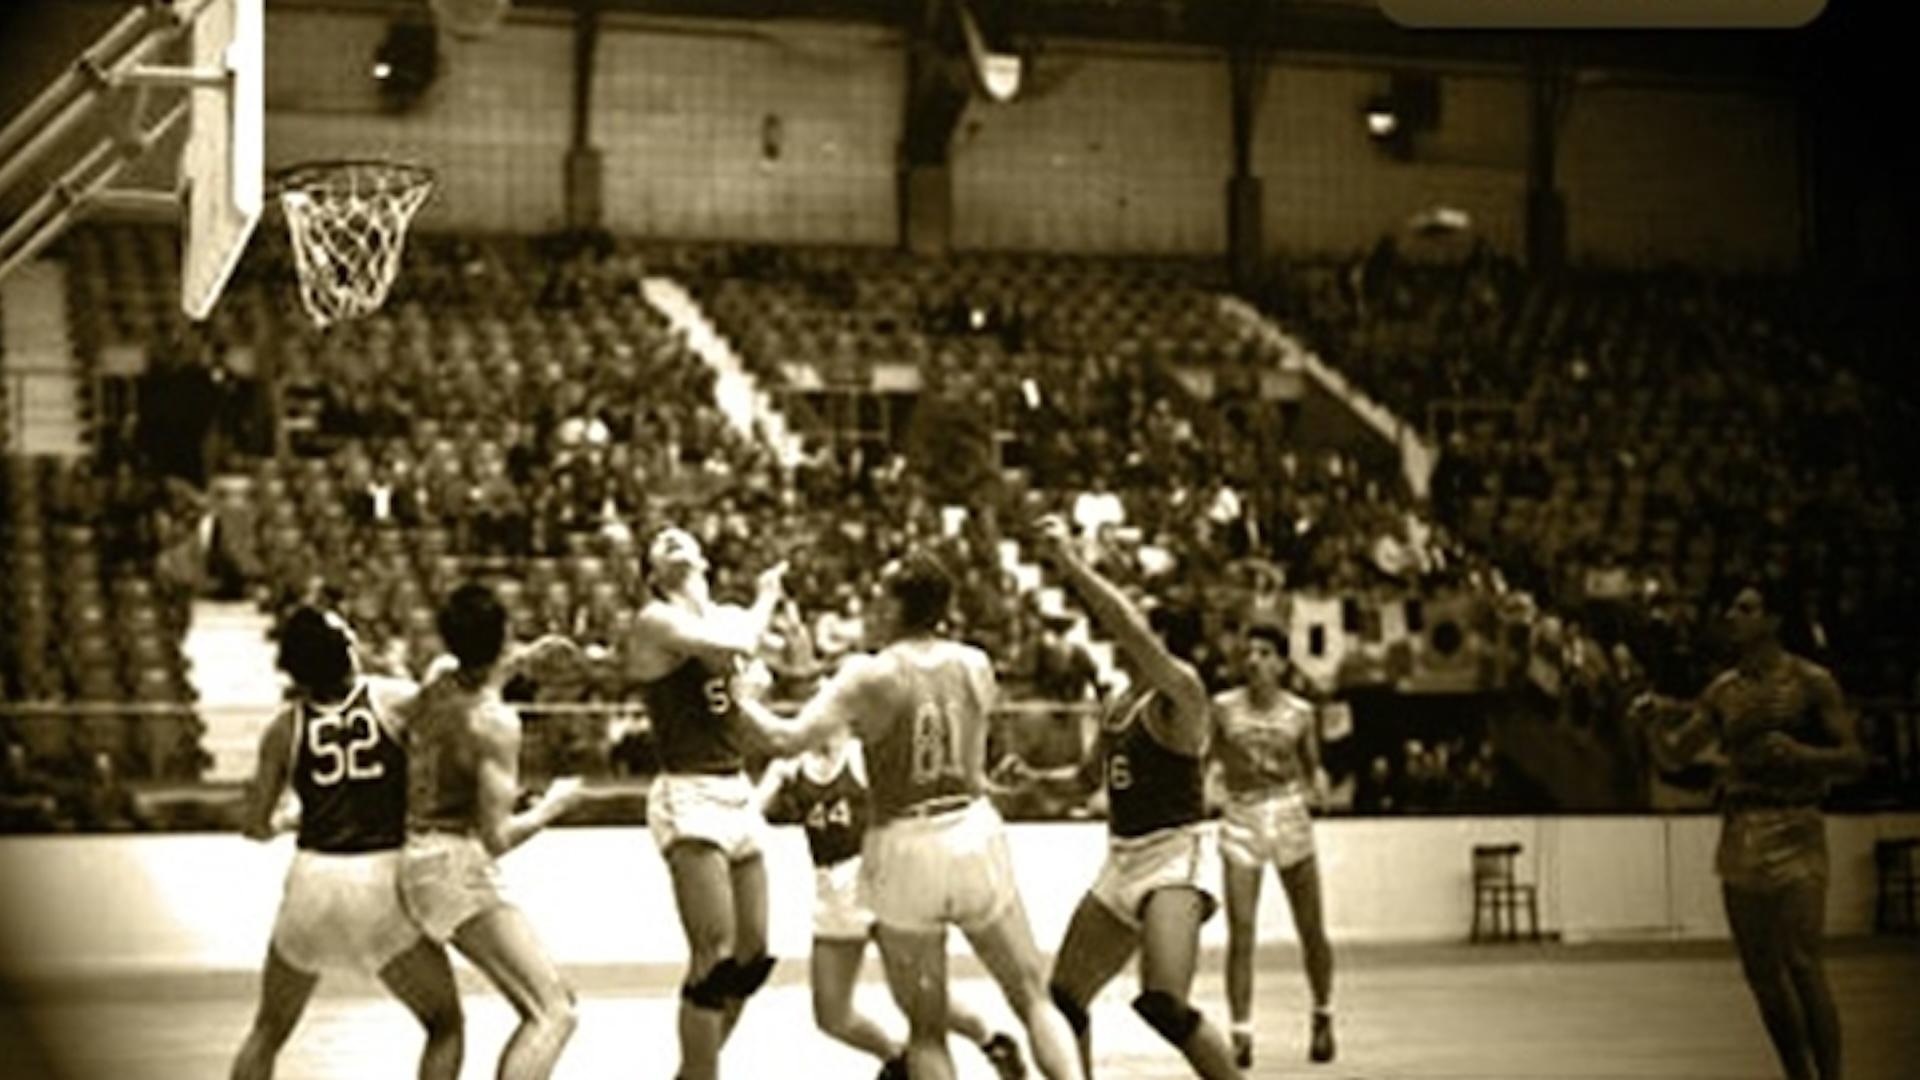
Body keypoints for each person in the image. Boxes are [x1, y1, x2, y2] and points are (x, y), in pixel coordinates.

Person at [734, 550, 1086, 1080]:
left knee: (924, 1029)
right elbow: (973, 759)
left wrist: (728, 697)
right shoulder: (975, 663)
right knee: (1034, 996)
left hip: (903, 841)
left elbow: (783, 740)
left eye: (881, 594)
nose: (873, 603)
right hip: (971, 826)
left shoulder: (868, 675)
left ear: (900, 605)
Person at [1031, 515, 1243, 1079]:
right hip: (1122, 860)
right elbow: (1084, 781)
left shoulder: (1182, 692)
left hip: (1173, 857)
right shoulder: (1119, 703)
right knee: (1063, 998)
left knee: (1163, 1004)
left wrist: (1070, 563)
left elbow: (1128, 628)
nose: (1131, 636)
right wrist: (1027, 777)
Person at [231, 606, 464, 1080]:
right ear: (347, 649)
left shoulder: (283, 729)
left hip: (311, 881)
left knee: (268, 1030)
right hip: (378, 879)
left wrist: (288, 820)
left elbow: (254, 827)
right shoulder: (392, 699)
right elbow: (449, 698)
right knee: (444, 1025)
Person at [1645, 580, 1864, 1080]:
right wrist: (1651, 727)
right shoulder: (1723, 690)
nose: (1731, 616)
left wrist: (1808, 757)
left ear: (1772, 621)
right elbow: (1675, 756)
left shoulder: (1813, 682)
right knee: (1762, 975)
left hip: (1798, 826)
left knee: (1803, 962)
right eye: (1732, 606)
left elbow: (1855, 759)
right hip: (1741, 830)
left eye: (1744, 608)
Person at [398, 583, 595, 1080]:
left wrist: (528, 655)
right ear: (503, 635)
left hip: (410, 859)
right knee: (554, 1012)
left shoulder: (439, 679)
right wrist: (555, 805)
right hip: (454, 866)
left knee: (527, 1010)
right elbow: (497, 838)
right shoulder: (494, 723)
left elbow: (477, 667)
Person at [758, 725, 1029, 1080]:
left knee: (917, 1001)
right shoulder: (791, 765)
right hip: (830, 892)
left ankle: (991, 1040)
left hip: (875, 881)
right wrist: (772, 778)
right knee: (830, 1014)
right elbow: (756, 812)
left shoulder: (862, 755)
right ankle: (895, 1057)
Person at [626, 526, 788, 1080]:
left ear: (703, 558)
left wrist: (757, 686)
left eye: (680, 537)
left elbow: (756, 673)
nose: (670, 539)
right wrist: (768, 596)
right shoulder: (657, 619)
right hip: (688, 791)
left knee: (754, 955)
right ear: (652, 573)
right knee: (713, 955)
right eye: (660, 542)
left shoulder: (722, 614)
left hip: (736, 788)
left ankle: (694, 1070)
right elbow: (736, 647)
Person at [1210, 623, 1335, 1068]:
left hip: (1288, 812)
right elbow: (1207, 760)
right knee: (1241, 931)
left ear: (1282, 662)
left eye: (1264, 652)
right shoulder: (1222, 707)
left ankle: (1323, 1013)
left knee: (1311, 928)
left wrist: (1320, 789)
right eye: (1249, 652)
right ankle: (1240, 1032)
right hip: (1242, 814)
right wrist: (1207, 788)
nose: (1254, 660)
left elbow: (1313, 767)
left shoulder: (1300, 713)